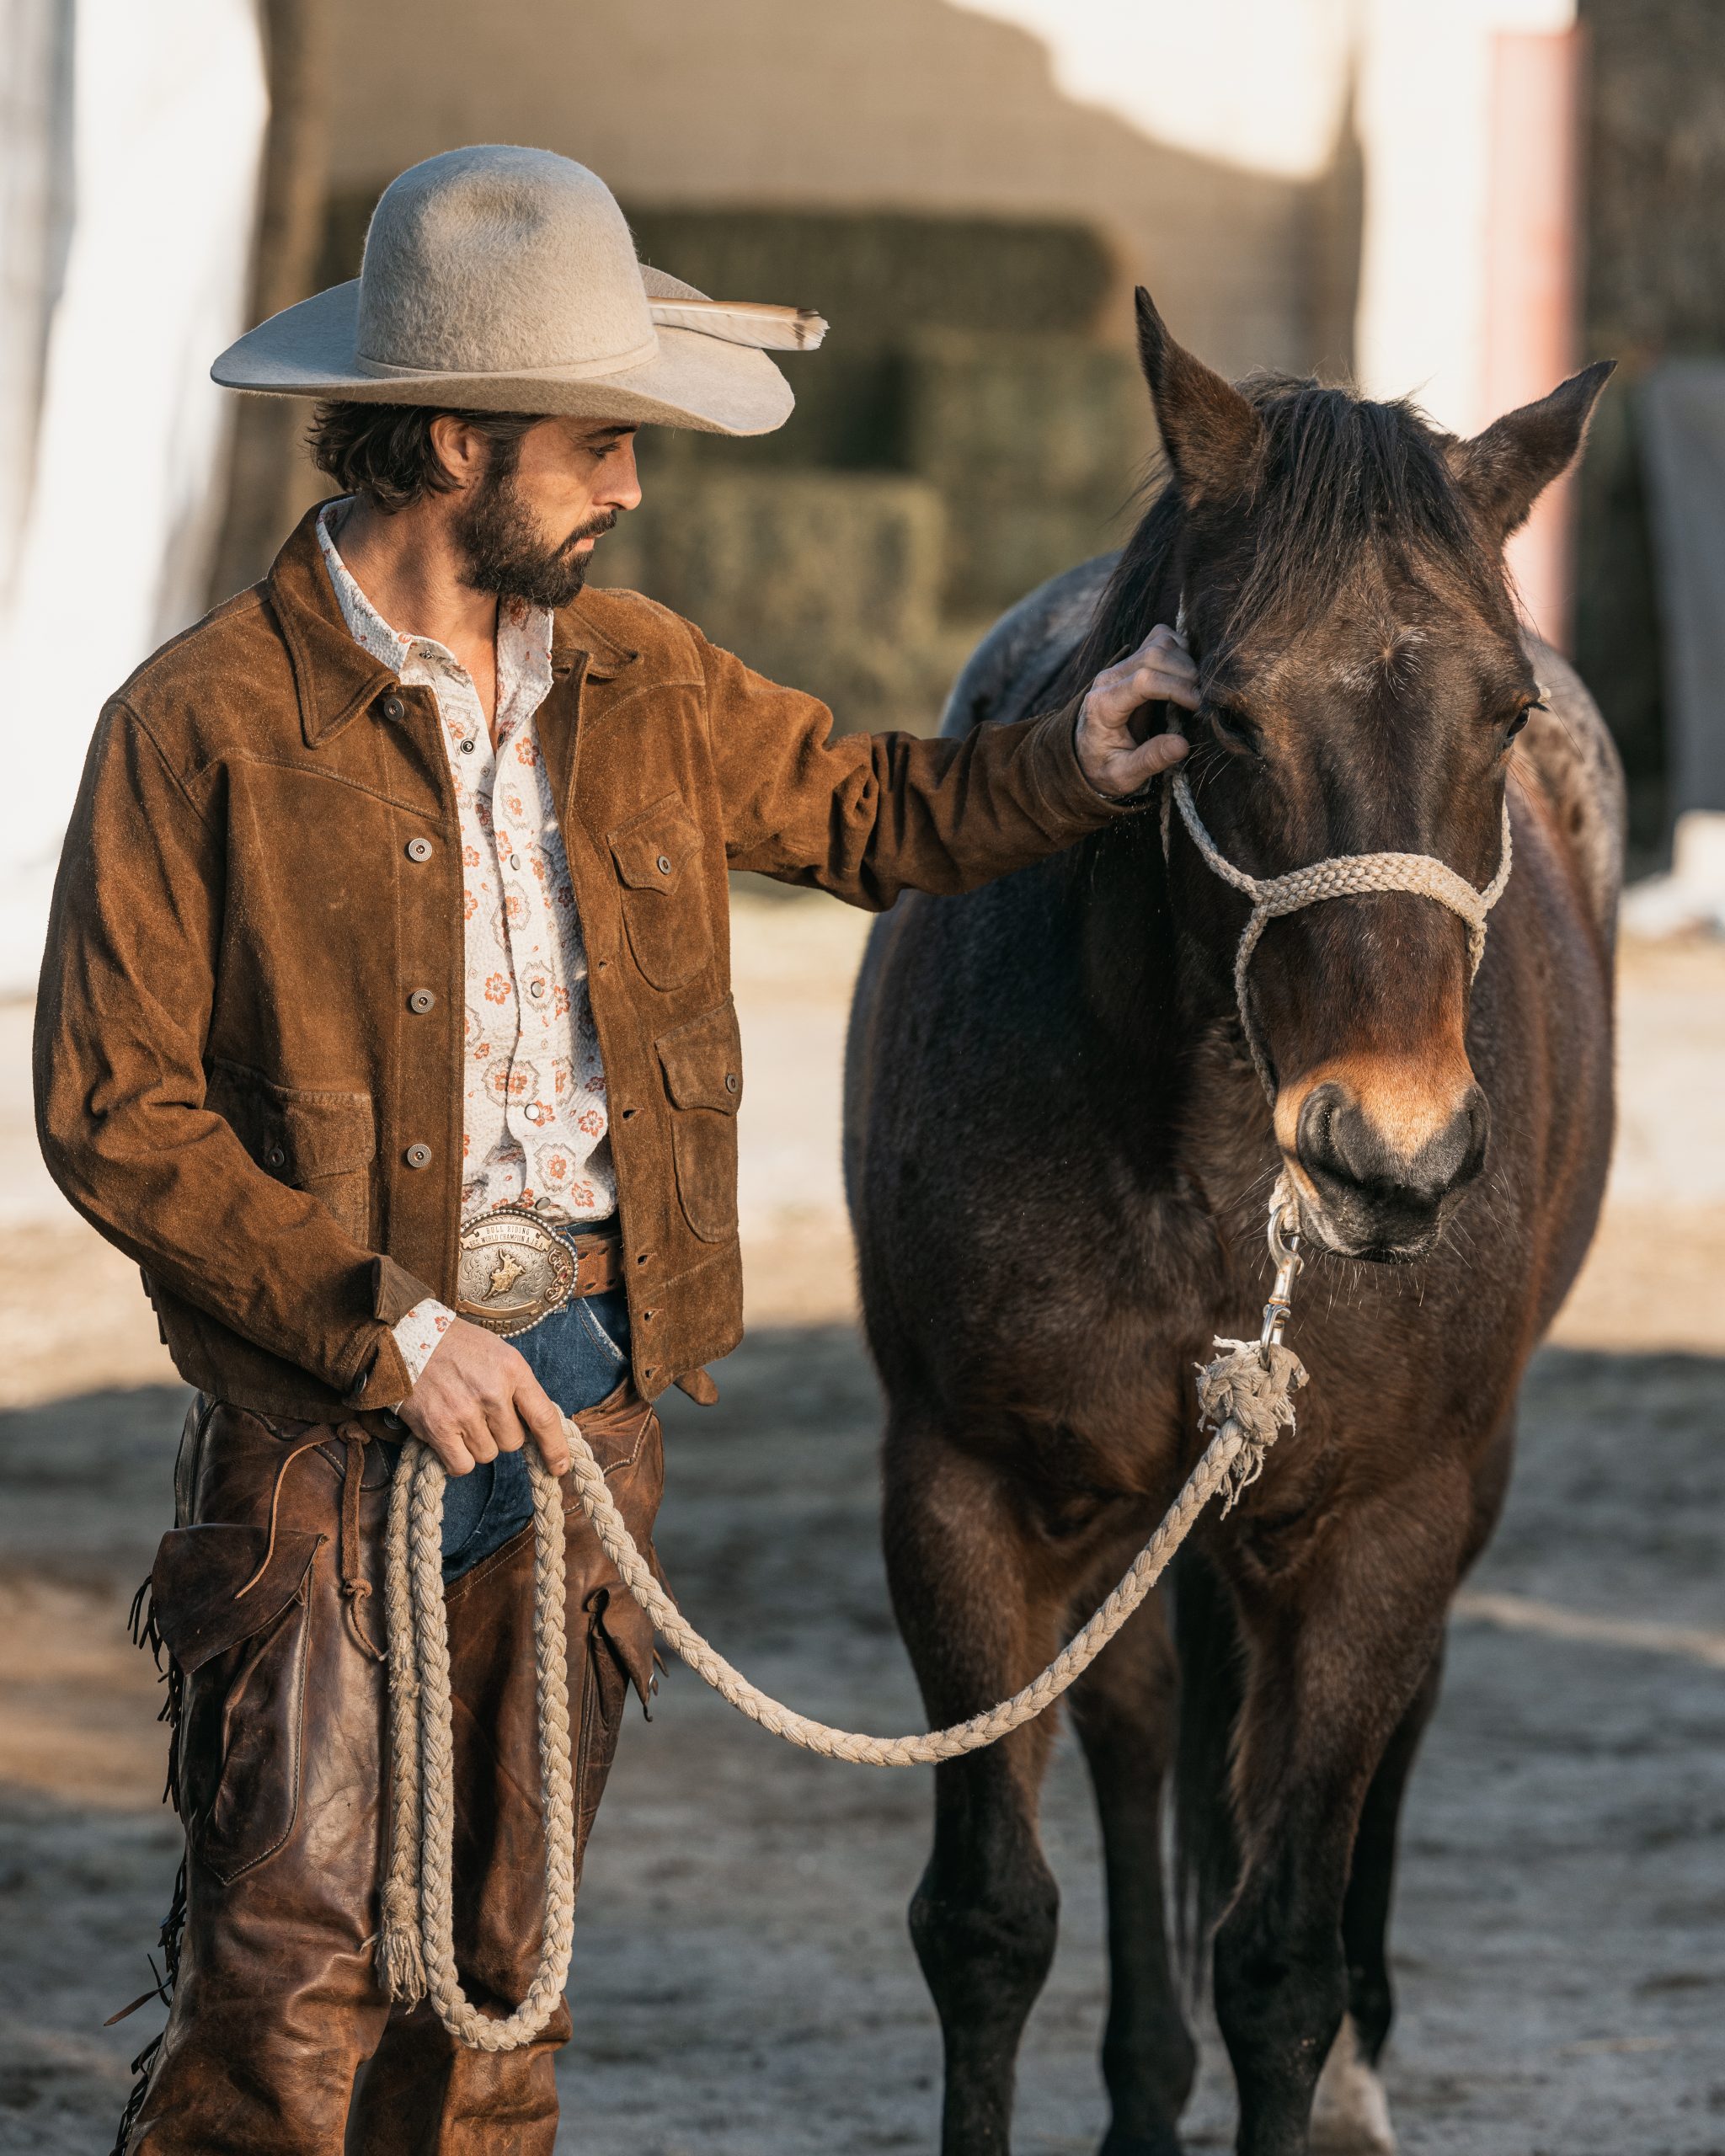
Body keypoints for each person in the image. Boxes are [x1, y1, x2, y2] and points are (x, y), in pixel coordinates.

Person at [35, 145, 1199, 2155]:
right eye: (597, 443)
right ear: (455, 440)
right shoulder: (197, 724)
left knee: (505, 1972)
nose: (633, 488)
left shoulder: (647, 682)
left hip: (582, 1394)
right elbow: (110, 1105)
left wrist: (1069, 758)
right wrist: (388, 1330)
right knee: (284, 1981)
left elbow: (872, 809)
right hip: (333, 1423)